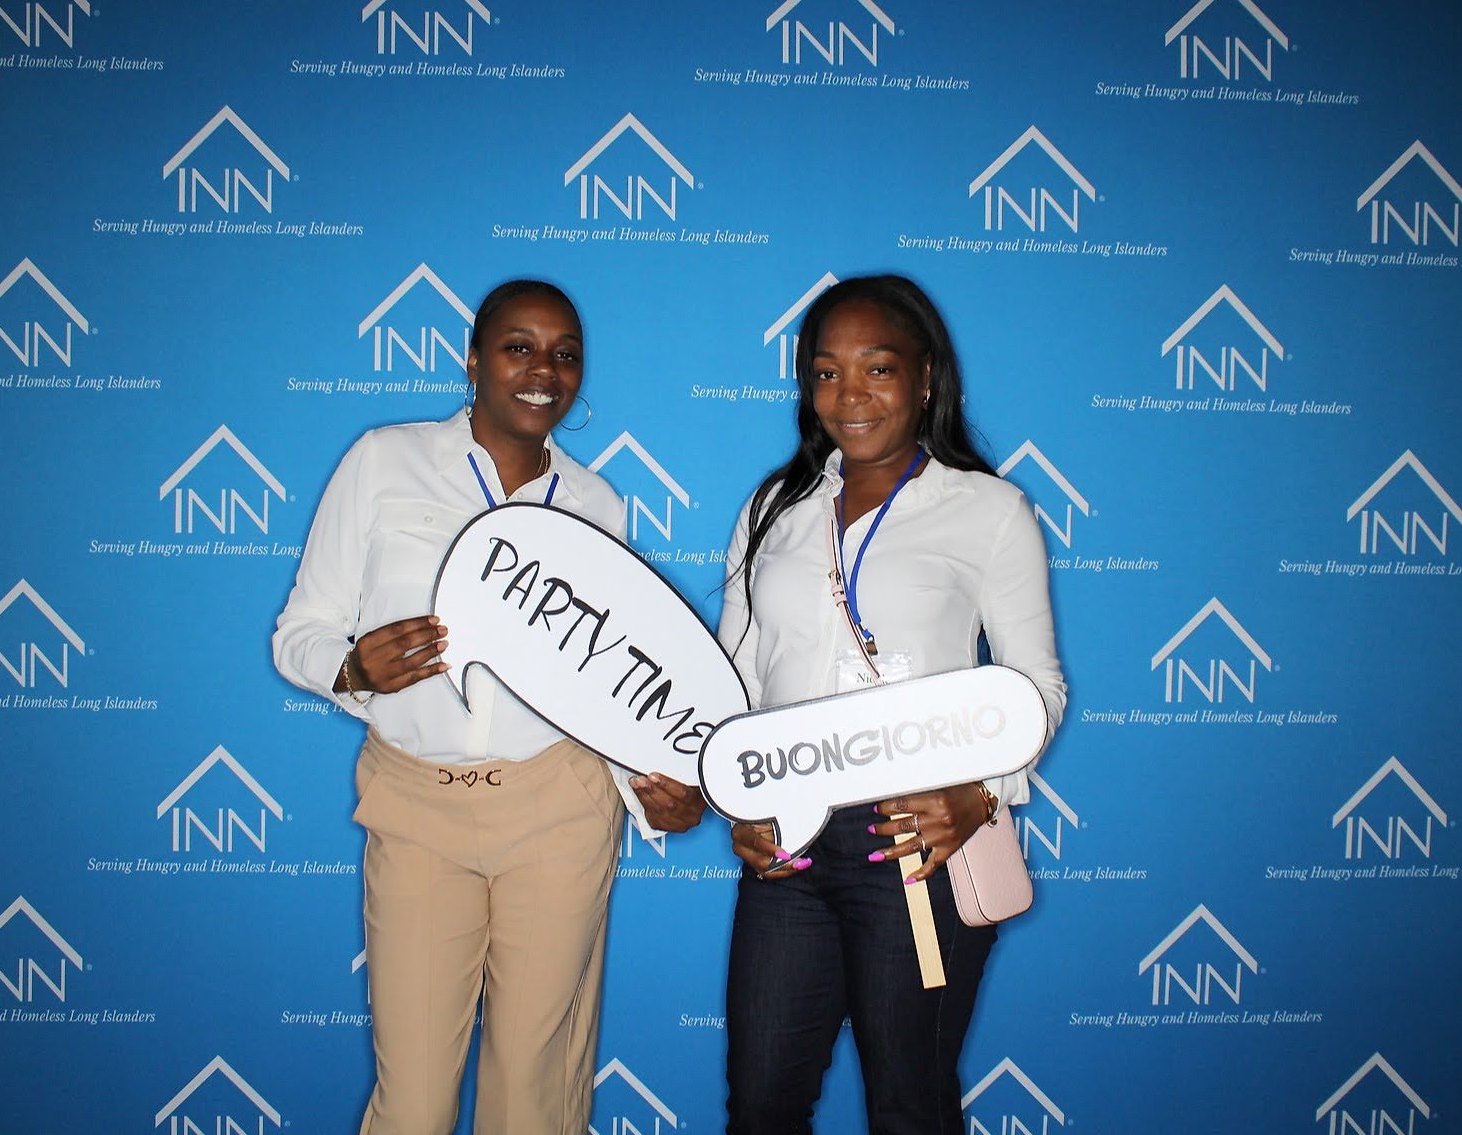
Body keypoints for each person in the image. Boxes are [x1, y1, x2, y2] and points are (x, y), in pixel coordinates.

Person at [273, 279, 704, 1135]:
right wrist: (352, 668)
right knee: (414, 1101)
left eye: (565, 354)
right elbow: (299, 633)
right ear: (472, 361)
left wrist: (657, 789)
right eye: (519, 348)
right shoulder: (383, 462)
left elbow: (604, 687)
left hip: (558, 807)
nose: (544, 370)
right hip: (416, 809)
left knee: (534, 1097)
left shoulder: (595, 504)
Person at [717, 274, 1066, 1135]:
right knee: (760, 1105)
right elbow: (736, 683)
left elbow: (1037, 686)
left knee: (909, 1106)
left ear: (926, 377)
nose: (850, 396)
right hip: (788, 850)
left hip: (914, 844)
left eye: (877, 369)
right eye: (826, 372)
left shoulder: (988, 511)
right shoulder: (773, 510)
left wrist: (980, 795)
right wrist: (739, 802)